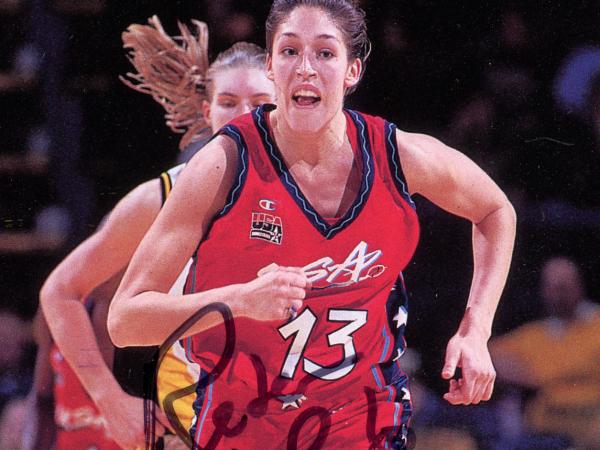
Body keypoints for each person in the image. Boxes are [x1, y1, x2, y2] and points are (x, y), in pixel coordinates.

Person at [108, 1, 516, 448]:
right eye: (289, 52)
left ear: (351, 71)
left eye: (324, 53)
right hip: (243, 424)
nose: (305, 68)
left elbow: (496, 211)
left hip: (362, 419)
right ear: (270, 67)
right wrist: (239, 301)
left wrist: (476, 332)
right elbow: (126, 320)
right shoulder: (223, 165)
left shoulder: (398, 156)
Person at [36, 15, 276, 450]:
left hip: (303, 416)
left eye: (262, 101)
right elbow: (60, 292)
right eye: (228, 102)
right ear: (207, 112)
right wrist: (110, 401)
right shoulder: (162, 197)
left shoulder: (323, 193)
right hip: (202, 425)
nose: (246, 116)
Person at [490, 256, 600, 449]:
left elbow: (581, 365)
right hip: (547, 424)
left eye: (564, 287)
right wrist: (534, 376)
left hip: (591, 420)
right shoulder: (537, 332)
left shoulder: (596, 322)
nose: (560, 295)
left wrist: (542, 374)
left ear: (578, 285)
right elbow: (491, 354)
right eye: (553, 288)